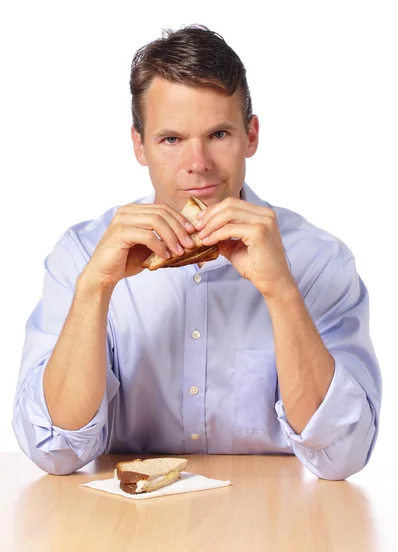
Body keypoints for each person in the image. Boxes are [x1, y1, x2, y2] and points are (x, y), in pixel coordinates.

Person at [12, 25, 382, 480]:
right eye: (171, 139)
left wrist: (282, 292)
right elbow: (54, 451)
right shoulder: (82, 256)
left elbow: (343, 457)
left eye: (219, 134)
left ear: (252, 135)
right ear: (139, 146)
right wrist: (95, 289)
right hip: (123, 534)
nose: (198, 163)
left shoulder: (320, 261)